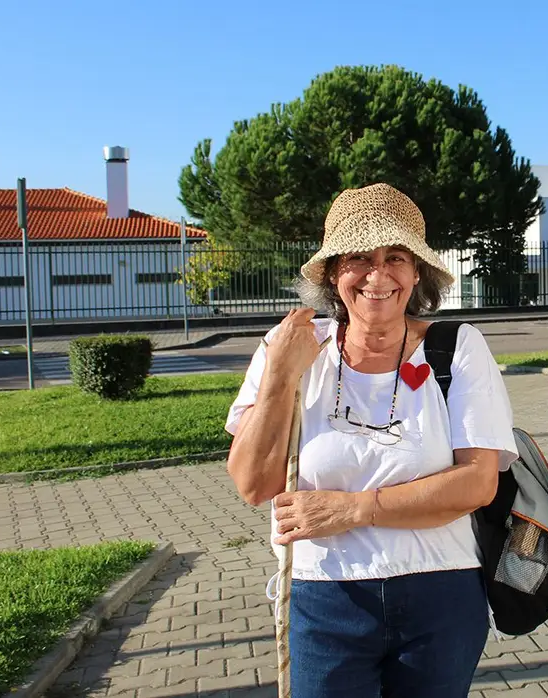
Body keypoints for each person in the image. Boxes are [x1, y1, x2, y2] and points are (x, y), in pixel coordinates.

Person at [224, 182, 519, 698]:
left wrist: (353, 510)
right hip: (324, 595)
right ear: (334, 271)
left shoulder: (457, 349)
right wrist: (279, 377)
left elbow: (477, 484)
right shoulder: (290, 347)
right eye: (360, 257)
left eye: (397, 257)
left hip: (440, 591)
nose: (378, 276)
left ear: (416, 272)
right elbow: (252, 484)